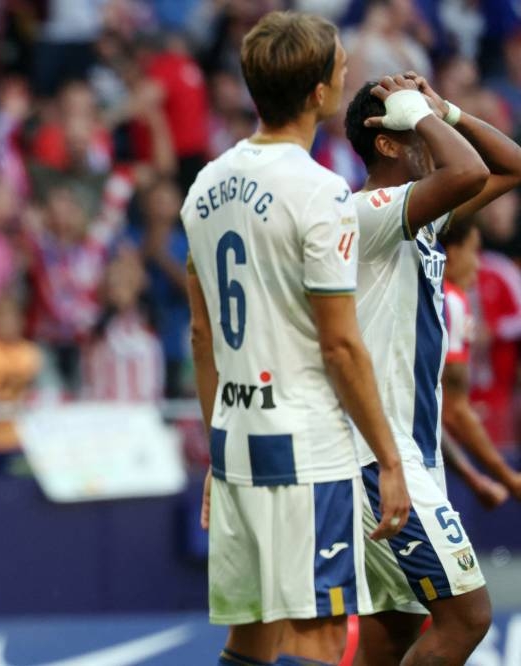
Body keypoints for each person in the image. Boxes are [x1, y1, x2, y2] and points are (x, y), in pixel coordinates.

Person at [183, 12, 409, 666]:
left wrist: (215, 441)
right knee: (318, 638)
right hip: (304, 448)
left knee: (251, 638)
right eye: (340, 63)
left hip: (235, 443)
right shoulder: (320, 191)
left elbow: (202, 337)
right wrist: (389, 461)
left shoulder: (204, 187)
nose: (346, 70)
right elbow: (340, 347)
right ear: (318, 93)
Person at [342, 69, 521, 664]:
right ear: (388, 142)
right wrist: (421, 114)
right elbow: (468, 170)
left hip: (411, 454)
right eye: (412, 128)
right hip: (380, 456)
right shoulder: (366, 212)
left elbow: (512, 165)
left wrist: (447, 112)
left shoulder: (420, 216)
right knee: (468, 618)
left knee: (391, 635)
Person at [442, 218, 521, 506]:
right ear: (450, 254)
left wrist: (473, 477)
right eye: (472, 252)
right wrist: (507, 476)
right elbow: (454, 411)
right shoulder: (451, 301)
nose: (477, 266)